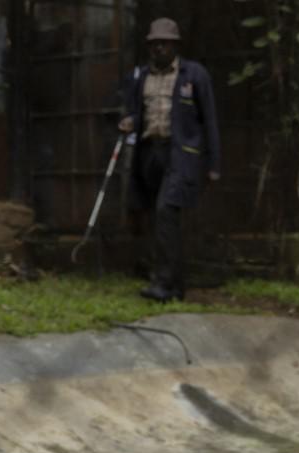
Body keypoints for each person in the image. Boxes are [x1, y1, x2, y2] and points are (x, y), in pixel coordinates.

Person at [118, 17, 221, 302]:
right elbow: (135, 113)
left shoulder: (194, 75)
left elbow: (209, 120)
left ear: (175, 45)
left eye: (164, 43)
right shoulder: (140, 76)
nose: (159, 48)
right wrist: (128, 121)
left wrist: (214, 165)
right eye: (154, 44)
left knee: (165, 211)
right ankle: (175, 285)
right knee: (158, 218)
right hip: (149, 153)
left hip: (181, 156)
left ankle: (162, 283)